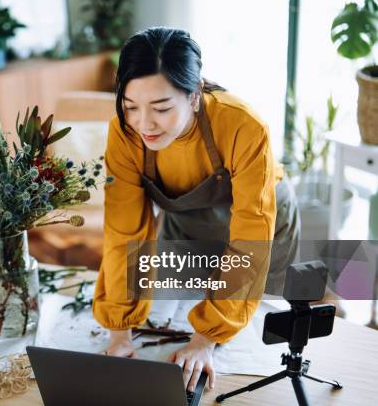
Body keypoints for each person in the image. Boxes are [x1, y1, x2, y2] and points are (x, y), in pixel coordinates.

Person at [92, 27, 300, 392]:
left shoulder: (244, 125)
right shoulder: (124, 135)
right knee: (169, 321)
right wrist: (119, 332)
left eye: (161, 108)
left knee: (260, 342)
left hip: (261, 224)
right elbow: (124, 232)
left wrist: (206, 338)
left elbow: (250, 240)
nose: (144, 123)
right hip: (185, 223)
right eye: (130, 107)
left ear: (194, 96)